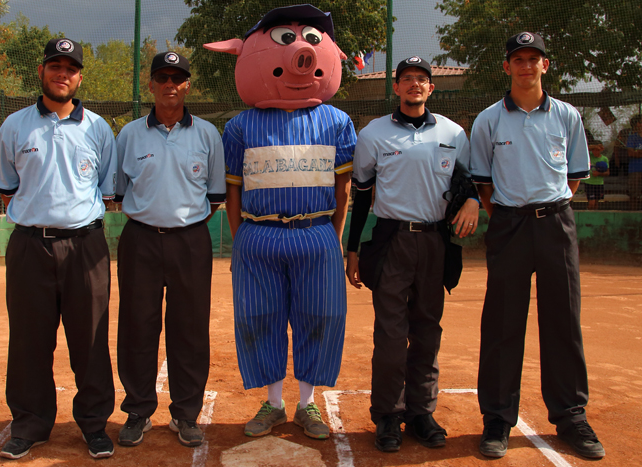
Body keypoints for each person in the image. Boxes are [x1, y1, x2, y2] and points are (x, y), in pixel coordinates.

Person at [205, 4, 356, 440]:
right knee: (259, 318)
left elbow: (343, 190)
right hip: (259, 235)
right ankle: (272, 402)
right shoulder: (240, 126)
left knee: (320, 317)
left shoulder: (337, 122)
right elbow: (233, 190)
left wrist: (335, 237)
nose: (301, 54)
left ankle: (307, 404)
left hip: (317, 233)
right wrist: (242, 239)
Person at [470, 32, 605, 459]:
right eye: (518, 59)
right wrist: (510, 214)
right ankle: (496, 418)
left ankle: (571, 416)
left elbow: (574, 178)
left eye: (534, 59)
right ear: (507, 66)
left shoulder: (566, 115)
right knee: (502, 323)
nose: (526, 66)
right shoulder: (488, 119)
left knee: (563, 319)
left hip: (556, 225)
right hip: (508, 225)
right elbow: (483, 184)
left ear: (546, 65)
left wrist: (545, 208)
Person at [0, 38, 117, 460]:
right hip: (30, 247)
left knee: (91, 339)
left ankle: (95, 425)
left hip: (86, 246)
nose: (62, 74)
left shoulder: (98, 128)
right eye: (55, 67)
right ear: (42, 72)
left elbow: (107, 189)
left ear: (79, 77)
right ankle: (30, 424)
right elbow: (7, 190)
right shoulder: (15, 126)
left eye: (71, 68)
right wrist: (41, 218)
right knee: (29, 340)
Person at [345, 56, 479, 453]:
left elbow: (466, 181)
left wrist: (472, 199)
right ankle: (388, 414)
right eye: (407, 79)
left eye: (422, 79)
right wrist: (352, 248)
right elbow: (363, 195)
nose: (415, 85)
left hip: (436, 242)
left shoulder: (454, 133)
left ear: (431, 88)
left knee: (427, 330)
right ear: (397, 88)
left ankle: (421, 411)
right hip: (392, 240)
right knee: (390, 333)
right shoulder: (374, 134)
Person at [113, 51, 226, 448]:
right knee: (137, 326)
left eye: (177, 78)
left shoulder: (208, 135)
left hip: (191, 241)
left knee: (190, 329)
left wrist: (182, 222)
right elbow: (120, 192)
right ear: (151, 85)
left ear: (187, 85)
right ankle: (138, 411)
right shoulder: (129, 135)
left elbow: (214, 195)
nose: (169, 85)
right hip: (140, 238)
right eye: (162, 77)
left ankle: (186, 414)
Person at [582, 139, 609, 210]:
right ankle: (588, 216)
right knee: (591, 203)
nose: (595, 152)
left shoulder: (604, 159)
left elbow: (607, 172)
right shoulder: (589, 156)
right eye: (594, 150)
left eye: (597, 150)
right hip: (589, 183)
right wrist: (594, 146)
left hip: (599, 183)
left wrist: (599, 173)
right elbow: (583, 149)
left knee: (596, 203)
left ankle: (594, 218)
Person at [626, 114, 642, 210]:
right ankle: (633, 211)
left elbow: (635, 152)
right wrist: (636, 153)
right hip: (635, 169)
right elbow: (630, 153)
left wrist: (638, 152)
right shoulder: (632, 137)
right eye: (639, 122)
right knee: (634, 193)